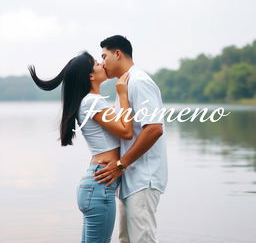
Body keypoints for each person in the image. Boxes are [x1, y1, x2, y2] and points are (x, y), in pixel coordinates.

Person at [28, 51, 133, 243]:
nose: (102, 64)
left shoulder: (87, 101)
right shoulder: (92, 101)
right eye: (96, 64)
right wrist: (123, 94)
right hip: (100, 186)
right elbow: (126, 131)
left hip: (96, 185)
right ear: (90, 76)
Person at [94, 35, 168, 243]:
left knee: (142, 239)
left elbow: (154, 129)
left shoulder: (139, 81)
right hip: (130, 178)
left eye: (104, 56)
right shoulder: (124, 86)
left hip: (143, 177)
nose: (101, 63)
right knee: (126, 239)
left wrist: (121, 164)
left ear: (117, 54)